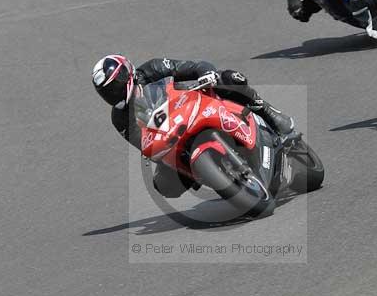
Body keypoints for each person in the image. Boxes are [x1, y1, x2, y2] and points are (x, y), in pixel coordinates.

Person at [92, 55, 295, 197]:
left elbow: (192, 67)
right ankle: (213, 176)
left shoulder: (153, 68)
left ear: (125, 75)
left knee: (230, 78)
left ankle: (268, 112)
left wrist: (206, 73)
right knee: (164, 186)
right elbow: (142, 144)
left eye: (114, 86)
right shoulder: (119, 118)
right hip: (169, 138)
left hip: (191, 104)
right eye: (106, 92)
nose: (112, 95)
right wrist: (157, 151)